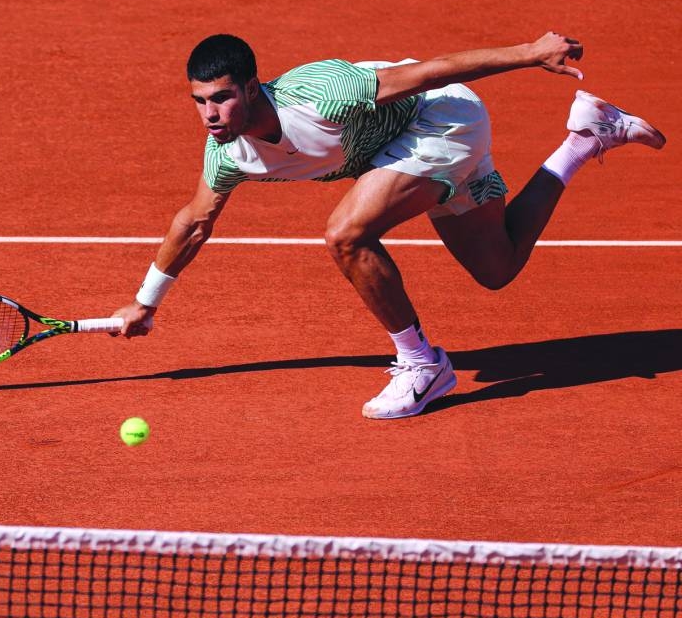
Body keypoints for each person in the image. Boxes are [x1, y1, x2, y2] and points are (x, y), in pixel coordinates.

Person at [111, 32, 666, 419]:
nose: (210, 114)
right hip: (399, 150)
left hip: (440, 118)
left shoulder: (321, 94)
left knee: (346, 233)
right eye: (200, 101)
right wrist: (146, 302)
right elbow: (195, 221)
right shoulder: (228, 153)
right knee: (498, 266)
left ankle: (423, 364)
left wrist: (530, 53)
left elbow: (429, 72)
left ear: (252, 88)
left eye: (223, 98)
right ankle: (587, 137)